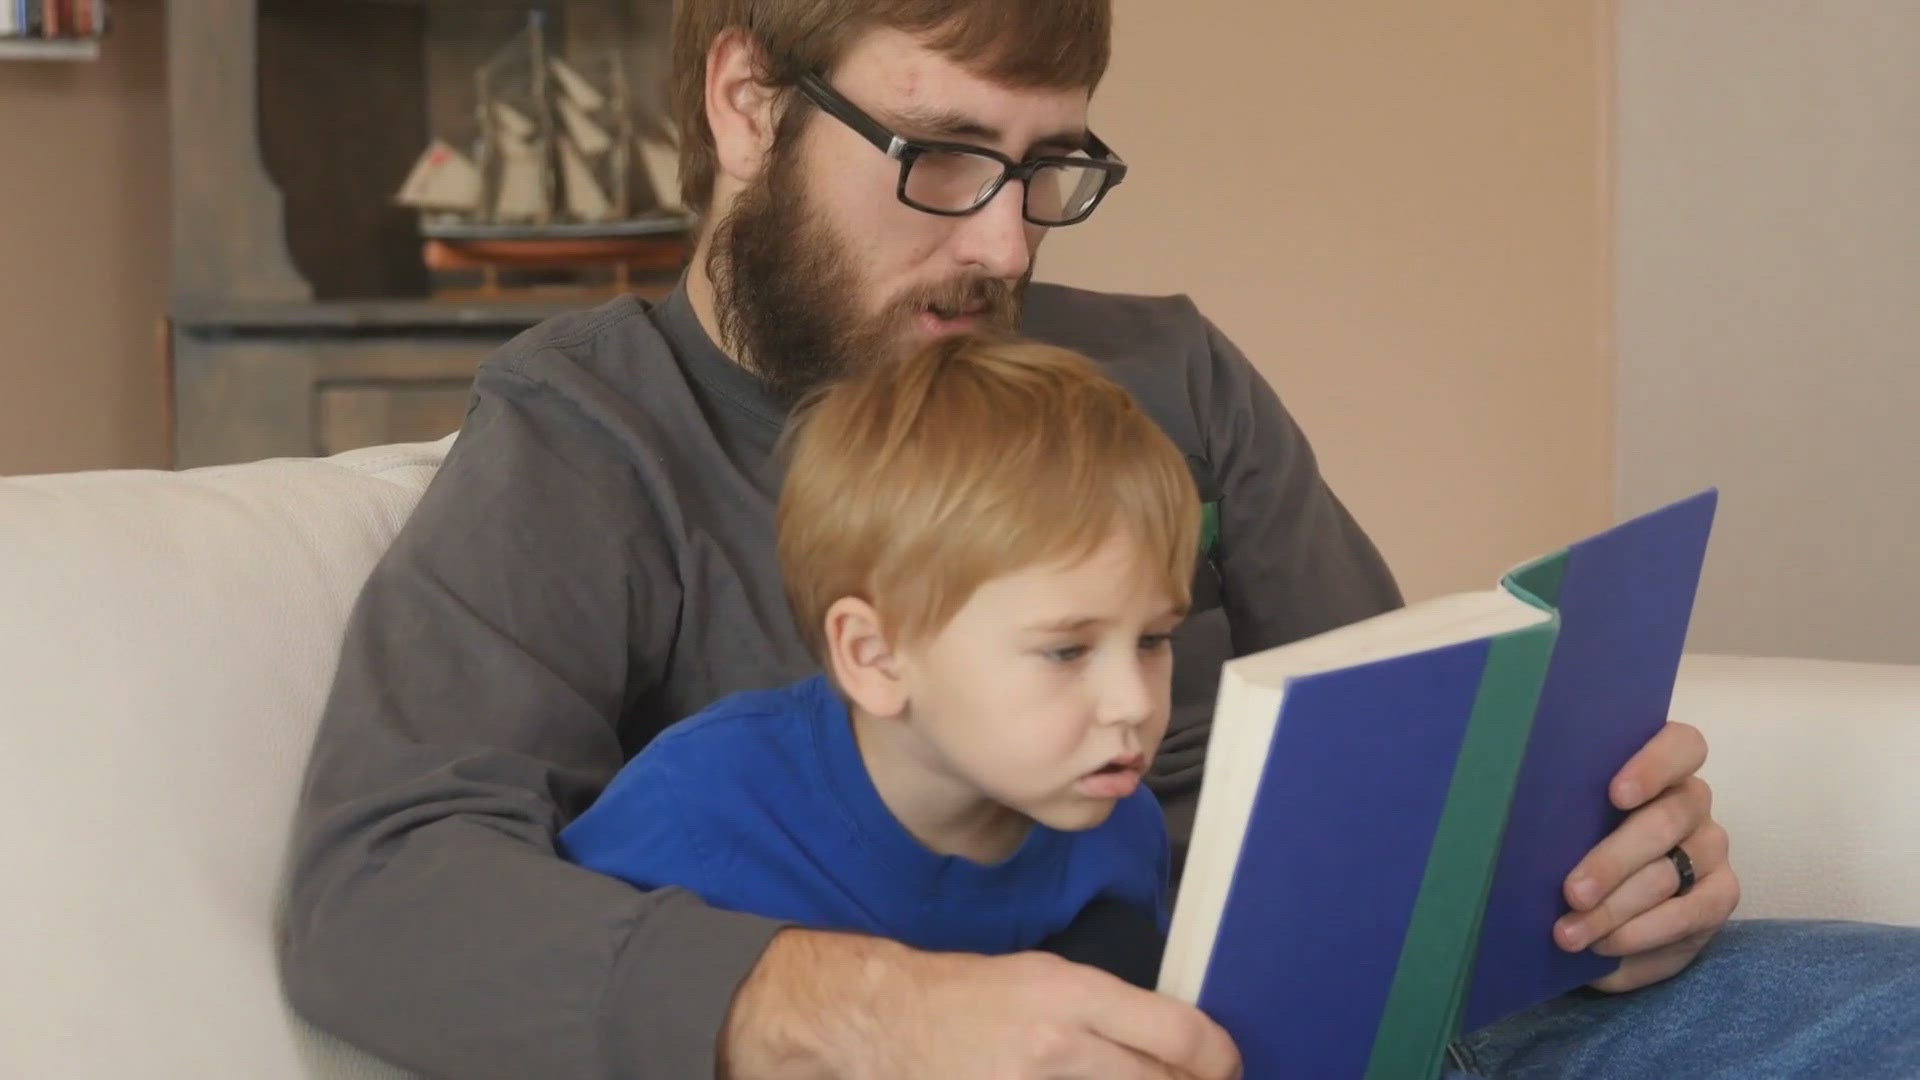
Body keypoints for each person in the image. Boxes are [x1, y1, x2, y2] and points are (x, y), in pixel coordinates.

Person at [281, 1, 1917, 1077]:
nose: (999, 240)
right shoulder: (590, 433)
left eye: (1049, 165)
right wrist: (873, 1011)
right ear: (744, 99)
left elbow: (1399, 752)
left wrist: (1604, 874)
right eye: (938, 158)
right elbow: (381, 893)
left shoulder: (1168, 374)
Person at [559, 333, 1195, 990]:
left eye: (1153, 640)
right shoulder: (692, 811)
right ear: (876, 657)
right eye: (1066, 650)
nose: (1136, 704)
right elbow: (556, 1011)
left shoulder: (1120, 825)